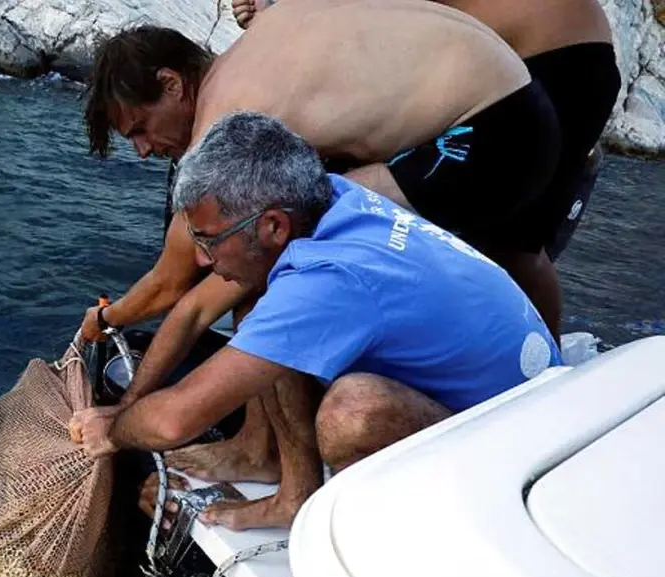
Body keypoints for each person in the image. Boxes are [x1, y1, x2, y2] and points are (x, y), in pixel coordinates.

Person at [71, 111, 561, 532]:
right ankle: (288, 486)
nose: (200, 259)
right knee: (268, 318)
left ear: (273, 226)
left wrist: (113, 433)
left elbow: (179, 416)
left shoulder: (331, 278)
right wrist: (129, 405)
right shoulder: (332, 200)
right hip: (520, 397)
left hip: (528, 447)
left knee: (351, 414)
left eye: (208, 239)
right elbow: (196, 308)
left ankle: (370, 542)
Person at [81, 6, 561, 347]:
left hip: (496, 134)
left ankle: (268, 443)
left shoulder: (230, 108)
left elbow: (174, 279)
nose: (144, 151)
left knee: (266, 245)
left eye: (140, 129)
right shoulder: (257, 48)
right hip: (523, 104)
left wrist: (106, 317)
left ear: (171, 83)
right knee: (290, 212)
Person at [231, 0, 622, 337]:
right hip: (510, 60)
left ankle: (543, 372)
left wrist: (277, 18)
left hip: (561, 56)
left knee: (513, 245)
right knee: (457, 230)